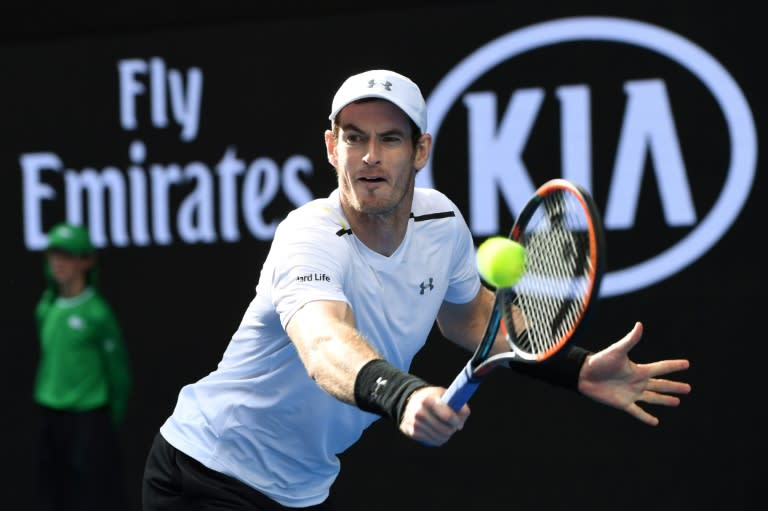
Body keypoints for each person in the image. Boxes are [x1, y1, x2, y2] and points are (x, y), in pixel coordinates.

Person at [142, 69, 691, 510]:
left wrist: (572, 366)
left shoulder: (443, 224)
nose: (370, 156)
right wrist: (403, 396)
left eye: (390, 139)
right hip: (206, 471)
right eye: (354, 138)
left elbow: (472, 319)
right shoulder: (307, 234)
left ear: (420, 150)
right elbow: (323, 344)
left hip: (300, 488)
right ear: (332, 148)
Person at [33, 222, 132, 511]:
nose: (59, 263)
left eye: (68, 255)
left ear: (86, 261)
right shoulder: (45, 307)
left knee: (90, 495)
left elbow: (119, 373)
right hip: (50, 413)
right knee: (51, 490)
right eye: (54, 255)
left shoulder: (97, 313)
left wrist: (105, 418)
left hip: (88, 418)